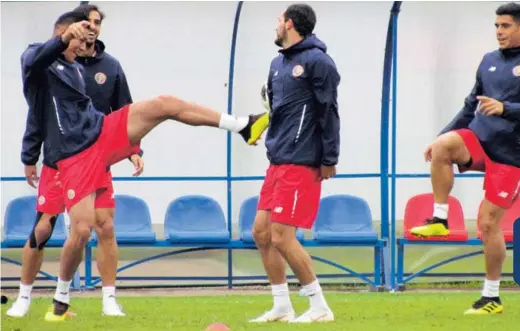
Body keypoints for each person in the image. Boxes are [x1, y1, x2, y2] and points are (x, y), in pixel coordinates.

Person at [19, 10, 268, 322]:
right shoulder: (36, 60)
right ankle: (59, 297)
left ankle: (242, 125)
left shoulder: (85, 68)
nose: (86, 42)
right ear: (64, 34)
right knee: (80, 230)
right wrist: (67, 37)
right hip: (73, 157)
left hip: (102, 133)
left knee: (164, 104)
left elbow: (117, 105)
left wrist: (133, 148)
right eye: (80, 37)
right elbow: (35, 63)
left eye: (91, 33)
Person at [410, 3, 520, 315]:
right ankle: (439, 219)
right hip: (479, 139)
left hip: (510, 154)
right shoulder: (488, 60)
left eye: (505, 26)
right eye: (496, 26)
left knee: (488, 226)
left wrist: (506, 108)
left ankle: (491, 297)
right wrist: (441, 136)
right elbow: (468, 106)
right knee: (441, 149)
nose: (499, 32)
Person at [7, 4, 139, 318]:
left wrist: (134, 149)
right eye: (86, 24)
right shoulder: (51, 62)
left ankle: (108, 298)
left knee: (103, 226)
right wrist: (30, 154)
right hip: (59, 162)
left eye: (96, 24)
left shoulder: (107, 66)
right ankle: (24, 296)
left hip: (96, 158)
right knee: (42, 228)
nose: (91, 30)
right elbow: (38, 112)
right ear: (70, 30)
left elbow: (124, 113)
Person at [249, 4, 340, 323]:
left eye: (278, 20)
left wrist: (330, 157)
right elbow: (277, 111)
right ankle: (282, 305)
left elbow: (329, 111)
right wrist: (258, 129)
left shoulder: (318, 61)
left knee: (282, 236)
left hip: (302, 160)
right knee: (261, 232)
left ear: (289, 24)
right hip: (277, 159)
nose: (275, 26)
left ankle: (319, 307)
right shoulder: (277, 63)